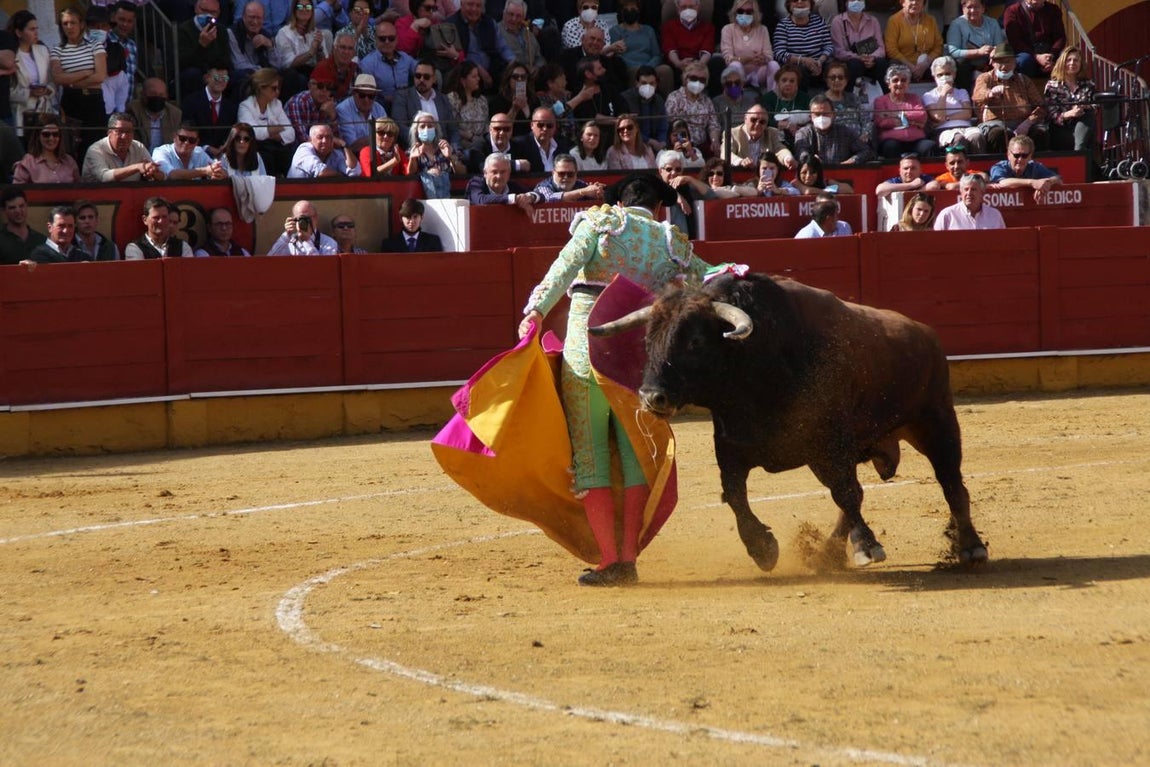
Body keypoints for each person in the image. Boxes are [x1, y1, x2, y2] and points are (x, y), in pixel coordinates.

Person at [518, 172, 710, 586]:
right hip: (634, 360)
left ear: (620, 202)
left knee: (591, 455)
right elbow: (709, 277)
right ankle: (627, 556)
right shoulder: (671, 242)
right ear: (659, 208)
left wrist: (535, 311)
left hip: (585, 350)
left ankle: (611, 561)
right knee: (633, 454)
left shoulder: (602, 223)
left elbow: (565, 267)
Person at [50, 7, 107, 161]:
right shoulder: (57, 50)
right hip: (71, 101)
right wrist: (86, 72)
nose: (69, 27)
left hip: (93, 101)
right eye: (65, 23)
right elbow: (58, 78)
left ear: (81, 24)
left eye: (73, 23)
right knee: (70, 144)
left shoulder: (95, 45)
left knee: (96, 143)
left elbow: (100, 76)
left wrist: (73, 82)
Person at [972, 43, 1047, 154]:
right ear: (993, 63)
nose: (1004, 66)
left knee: (1041, 132)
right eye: (1000, 62)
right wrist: (990, 93)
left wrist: (1027, 123)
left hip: (1023, 122)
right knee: (999, 134)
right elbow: (977, 96)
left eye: (1008, 61)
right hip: (995, 123)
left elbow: (1041, 106)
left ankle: (1037, 167)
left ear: (1015, 63)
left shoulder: (1024, 80)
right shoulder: (985, 78)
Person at [445, 0, 516, 90]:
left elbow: (503, 47)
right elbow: (456, 56)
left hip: (492, 70)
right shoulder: (450, 25)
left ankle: (522, 101)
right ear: (461, 4)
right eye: (470, 4)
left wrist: (513, 62)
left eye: (478, 6)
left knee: (519, 76)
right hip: (465, 73)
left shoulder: (490, 22)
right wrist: (478, 69)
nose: (474, 9)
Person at [238, 67, 296, 175]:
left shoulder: (277, 104)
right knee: (266, 157)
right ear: (261, 88)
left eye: (278, 88)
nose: (277, 92)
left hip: (275, 146)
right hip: (254, 148)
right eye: (274, 88)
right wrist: (276, 130)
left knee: (288, 155)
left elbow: (291, 133)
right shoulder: (246, 106)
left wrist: (269, 133)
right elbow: (253, 133)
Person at [391, 59, 460, 148]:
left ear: (434, 79)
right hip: (415, 149)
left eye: (426, 77)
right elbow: (400, 126)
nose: (421, 80)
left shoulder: (442, 98)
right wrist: (423, 144)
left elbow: (453, 129)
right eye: (418, 76)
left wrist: (455, 149)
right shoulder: (403, 97)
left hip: (442, 150)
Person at [923, 55, 985, 153]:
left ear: (954, 75)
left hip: (966, 127)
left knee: (977, 137)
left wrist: (947, 118)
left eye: (947, 73)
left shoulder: (962, 92)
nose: (944, 77)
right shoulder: (929, 95)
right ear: (934, 77)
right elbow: (938, 117)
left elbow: (967, 114)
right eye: (940, 75)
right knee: (958, 138)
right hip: (943, 130)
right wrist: (943, 94)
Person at [82, 112, 167, 182]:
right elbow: (105, 177)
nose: (124, 136)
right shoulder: (95, 150)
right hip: (99, 199)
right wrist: (137, 167)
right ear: (109, 133)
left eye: (129, 132)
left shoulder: (138, 147)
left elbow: (163, 177)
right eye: (120, 131)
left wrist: (152, 173)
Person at [609, 0, 670, 95]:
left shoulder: (648, 30)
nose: (629, 11)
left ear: (638, 11)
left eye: (633, 9)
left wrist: (648, 66)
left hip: (649, 65)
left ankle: (664, 104)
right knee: (636, 72)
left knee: (665, 70)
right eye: (626, 9)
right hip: (630, 67)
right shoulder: (615, 31)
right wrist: (639, 67)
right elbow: (617, 56)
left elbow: (657, 55)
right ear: (621, 12)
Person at [11, 11, 56, 138]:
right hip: (22, 114)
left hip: (43, 112)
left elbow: (52, 80)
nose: (36, 32)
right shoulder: (12, 55)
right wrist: (29, 93)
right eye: (31, 29)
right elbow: (7, 91)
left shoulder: (42, 50)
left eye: (37, 28)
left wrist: (47, 90)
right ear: (19, 33)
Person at [874, 64, 934, 159]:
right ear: (888, 84)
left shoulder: (914, 98)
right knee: (891, 146)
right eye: (895, 80)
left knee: (929, 146)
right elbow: (882, 123)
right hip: (892, 140)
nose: (899, 83)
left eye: (903, 80)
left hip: (916, 139)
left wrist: (896, 115)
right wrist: (912, 122)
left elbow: (922, 115)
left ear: (908, 83)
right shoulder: (880, 101)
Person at [793, 95, 872, 165]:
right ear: (810, 117)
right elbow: (801, 152)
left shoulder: (845, 132)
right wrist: (811, 160)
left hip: (841, 175)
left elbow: (865, 151)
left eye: (825, 113)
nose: (821, 117)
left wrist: (852, 161)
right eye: (817, 114)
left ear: (833, 114)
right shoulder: (803, 133)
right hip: (814, 177)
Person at [772, 0, 834, 89]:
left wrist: (820, 61)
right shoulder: (783, 25)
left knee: (834, 69)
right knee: (799, 71)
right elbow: (779, 53)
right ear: (789, 5)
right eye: (795, 0)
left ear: (810, 4)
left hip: (820, 64)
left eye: (804, 0)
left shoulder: (819, 21)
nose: (800, 2)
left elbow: (828, 45)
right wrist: (803, 60)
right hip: (797, 66)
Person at [1044, 46, 1095, 153]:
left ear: (1081, 64)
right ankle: (1079, 153)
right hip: (1061, 128)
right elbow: (1051, 114)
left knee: (1088, 114)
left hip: (1083, 125)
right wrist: (1070, 113)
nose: (1072, 63)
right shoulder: (1052, 86)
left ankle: (1079, 151)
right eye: (1068, 60)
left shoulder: (1088, 84)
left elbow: (1096, 105)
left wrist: (1085, 106)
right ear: (1062, 63)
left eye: (1076, 60)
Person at [945, 0, 1005, 91]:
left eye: (976, 7)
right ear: (963, 9)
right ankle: (966, 97)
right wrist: (978, 52)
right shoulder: (956, 24)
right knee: (961, 63)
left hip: (988, 61)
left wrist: (994, 51)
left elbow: (1000, 47)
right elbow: (953, 51)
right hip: (966, 64)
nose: (973, 10)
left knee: (1004, 60)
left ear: (983, 8)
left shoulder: (992, 23)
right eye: (969, 7)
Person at [177, 0, 233, 97]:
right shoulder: (183, 30)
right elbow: (182, 63)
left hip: (215, 71)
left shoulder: (221, 31)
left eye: (213, 12)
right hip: (193, 72)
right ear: (195, 9)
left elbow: (226, 60)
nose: (208, 15)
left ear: (218, 13)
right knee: (193, 74)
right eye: (204, 10)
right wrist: (202, 45)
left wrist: (214, 72)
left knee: (235, 76)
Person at [359, 19, 418, 110]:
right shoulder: (367, 63)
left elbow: (421, 70)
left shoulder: (405, 58)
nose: (387, 42)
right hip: (381, 107)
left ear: (396, 39)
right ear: (375, 39)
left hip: (407, 105)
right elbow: (366, 94)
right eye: (382, 39)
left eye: (391, 38)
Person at [720, 1, 778, 91]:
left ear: (754, 13)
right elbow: (728, 58)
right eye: (740, 11)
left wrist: (763, 59)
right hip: (737, 73)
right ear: (735, 12)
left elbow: (769, 55)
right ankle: (736, 95)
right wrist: (747, 59)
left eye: (749, 12)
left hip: (758, 73)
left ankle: (773, 97)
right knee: (735, 65)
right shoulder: (727, 29)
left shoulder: (762, 29)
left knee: (773, 64)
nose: (744, 14)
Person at [829, 0, 887, 90]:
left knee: (881, 63)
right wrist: (858, 57)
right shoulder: (838, 21)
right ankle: (849, 96)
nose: (856, 2)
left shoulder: (873, 21)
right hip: (850, 62)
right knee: (855, 64)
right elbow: (838, 51)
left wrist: (872, 58)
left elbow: (881, 48)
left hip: (871, 61)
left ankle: (884, 96)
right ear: (846, 2)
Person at [664, 60, 720, 153]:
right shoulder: (674, 98)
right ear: (686, 79)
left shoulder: (707, 101)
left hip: (702, 146)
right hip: (680, 146)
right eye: (694, 78)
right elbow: (669, 125)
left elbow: (713, 125)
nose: (698, 82)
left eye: (702, 80)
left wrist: (715, 141)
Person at [182, 67, 240, 156]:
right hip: (196, 153)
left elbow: (231, 131)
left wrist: (225, 146)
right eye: (217, 78)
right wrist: (206, 147)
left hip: (223, 155)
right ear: (206, 78)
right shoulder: (191, 101)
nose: (221, 81)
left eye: (225, 78)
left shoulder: (231, 106)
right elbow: (187, 130)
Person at [273, 0, 332, 87]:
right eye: (300, 7)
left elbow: (323, 64)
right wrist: (310, 53)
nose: (304, 10)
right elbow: (287, 64)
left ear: (312, 11)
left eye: (308, 7)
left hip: (313, 73)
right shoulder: (284, 33)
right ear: (294, 10)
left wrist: (319, 49)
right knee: (293, 75)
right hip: (293, 74)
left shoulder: (316, 32)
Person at [1002, 0, 1065, 79]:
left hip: (1049, 51)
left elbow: (1060, 37)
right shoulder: (1012, 11)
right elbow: (1015, 41)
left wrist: (1051, 56)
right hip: (1027, 52)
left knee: (1067, 59)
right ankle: (1026, 88)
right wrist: (1037, 57)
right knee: (1024, 61)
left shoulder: (1054, 10)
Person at [406, 110, 462, 197]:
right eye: (422, 126)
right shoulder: (412, 151)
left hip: (447, 196)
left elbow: (461, 173)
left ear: (435, 129)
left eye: (430, 126)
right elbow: (410, 175)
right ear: (416, 131)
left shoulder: (445, 147)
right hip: (423, 199)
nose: (426, 129)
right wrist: (413, 159)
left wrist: (451, 157)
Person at [989, 134, 1062, 200]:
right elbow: (1003, 182)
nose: (1020, 159)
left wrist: (1046, 183)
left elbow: (1058, 179)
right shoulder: (999, 167)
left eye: (1024, 156)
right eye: (1016, 155)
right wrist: (1033, 183)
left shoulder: (1035, 166)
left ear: (1030, 156)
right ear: (1008, 155)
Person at [884, 0, 942, 83]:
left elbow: (938, 46)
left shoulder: (931, 20)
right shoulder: (894, 21)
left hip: (926, 64)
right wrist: (911, 67)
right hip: (903, 64)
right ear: (903, 2)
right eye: (911, 0)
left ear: (923, 3)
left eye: (918, 0)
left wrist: (925, 64)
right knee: (895, 67)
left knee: (943, 66)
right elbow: (891, 49)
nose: (915, 3)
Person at [725, 103, 796, 170]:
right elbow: (726, 154)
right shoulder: (732, 133)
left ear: (766, 124)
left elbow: (780, 149)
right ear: (745, 119)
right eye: (753, 120)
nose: (757, 124)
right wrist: (740, 161)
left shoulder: (772, 133)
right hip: (741, 178)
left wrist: (787, 158)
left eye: (762, 122)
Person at [13, 118, 82, 184]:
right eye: (46, 134)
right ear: (38, 136)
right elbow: (17, 192)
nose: (51, 138)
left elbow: (79, 189)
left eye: (55, 134)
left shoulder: (69, 161)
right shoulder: (28, 162)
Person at [228, 2, 276, 97]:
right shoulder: (232, 33)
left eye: (258, 18)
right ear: (243, 17)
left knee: (288, 75)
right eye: (251, 17)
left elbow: (278, 65)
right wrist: (263, 72)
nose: (255, 22)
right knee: (244, 76)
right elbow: (239, 64)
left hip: (263, 75)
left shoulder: (266, 35)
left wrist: (269, 46)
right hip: (243, 76)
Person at [153, 122, 228, 180]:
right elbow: (171, 174)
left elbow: (219, 170)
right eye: (182, 138)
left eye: (192, 140)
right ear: (174, 137)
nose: (186, 143)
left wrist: (219, 173)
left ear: (197, 142)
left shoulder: (199, 152)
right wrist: (204, 171)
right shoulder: (161, 152)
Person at [124, 197, 195, 259]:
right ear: (145, 220)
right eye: (156, 218)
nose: (161, 221)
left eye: (164, 217)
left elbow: (189, 272)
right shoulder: (135, 248)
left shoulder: (183, 247)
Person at [821, 60, 871, 145]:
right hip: (834, 144)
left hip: (858, 142)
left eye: (840, 77)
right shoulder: (821, 101)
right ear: (827, 81)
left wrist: (865, 134)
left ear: (846, 80)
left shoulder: (854, 98)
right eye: (832, 78)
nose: (837, 81)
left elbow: (866, 120)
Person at [934, 171, 1005, 229]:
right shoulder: (947, 215)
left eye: (973, 189)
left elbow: (1002, 241)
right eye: (966, 189)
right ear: (961, 192)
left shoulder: (994, 215)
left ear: (982, 193)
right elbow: (936, 242)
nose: (969, 193)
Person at [620, 66, 668, 152]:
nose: (648, 86)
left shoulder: (659, 100)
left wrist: (662, 142)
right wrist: (650, 141)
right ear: (637, 83)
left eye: (651, 83)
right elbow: (625, 127)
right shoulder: (625, 99)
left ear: (656, 84)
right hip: (631, 144)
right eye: (644, 83)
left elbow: (663, 125)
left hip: (657, 146)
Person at [288, 121, 362, 177]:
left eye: (328, 137)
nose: (325, 141)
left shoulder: (335, 153)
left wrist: (344, 146)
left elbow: (355, 172)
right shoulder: (304, 149)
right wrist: (343, 176)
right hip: (296, 194)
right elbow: (321, 172)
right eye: (320, 137)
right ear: (310, 140)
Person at [487, 60, 539, 139]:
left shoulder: (534, 99)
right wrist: (514, 109)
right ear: (508, 80)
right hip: (511, 141)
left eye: (523, 77)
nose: (519, 80)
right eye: (515, 77)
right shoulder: (497, 102)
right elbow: (501, 129)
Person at [128, 78, 183, 152]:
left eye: (161, 94)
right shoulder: (133, 110)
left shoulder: (174, 114)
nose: (157, 97)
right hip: (139, 156)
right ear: (143, 94)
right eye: (153, 94)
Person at [466, 152, 540, 206]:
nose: (499, 176)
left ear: (509, 173)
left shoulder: (513, 186)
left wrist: (531, 197)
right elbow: (481, 200)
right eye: (494, 172)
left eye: (503, 172)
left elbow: (540, 194)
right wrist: (513, 198)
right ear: (485, 173)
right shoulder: (475, 183)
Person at [446, 60, 489, 153]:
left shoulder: (482, 100)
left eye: (478, 76)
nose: (478, 79)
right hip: (462, 144)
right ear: (463, 80)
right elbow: (451, 126)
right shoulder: (452, 98)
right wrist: (470, 136)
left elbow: (486, 125)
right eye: (474, 76)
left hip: (482, 142)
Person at [268, 199, 340, 255]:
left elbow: (322, 267)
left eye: (307, 218)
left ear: (316, 218)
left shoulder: (328, 242)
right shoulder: (290, 241)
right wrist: (286, 235)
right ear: (293, 219)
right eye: (300, 219)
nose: (303, 222)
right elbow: (270, 261)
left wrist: (307, 241)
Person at [285, 71, 340, 143]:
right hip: (299, 148)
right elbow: (302, 139)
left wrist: (332, 116)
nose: (324, 91)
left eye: (329, 87)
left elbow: (339, 138)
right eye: (320, 86)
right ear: (310, 86)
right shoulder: (297, 103)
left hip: (322, 146)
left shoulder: (330, 104)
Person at [511, 106, 571, 172]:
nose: (545, 129)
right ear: (532, 125)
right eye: (540, 125)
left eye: (549, 125)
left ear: (555, 127)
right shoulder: (519, 145)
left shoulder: (562, 145)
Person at [336, 73, 386, 151]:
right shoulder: (343, 110)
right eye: (362, 95)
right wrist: (377, 138)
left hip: (377, 153)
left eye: (371, 96)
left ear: (375, 96)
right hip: (352, 156)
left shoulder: (379, 109)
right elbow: (352, 145)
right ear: (354, 94)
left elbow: (387, 137)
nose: (366, 100)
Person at [760, 64, 810, 139]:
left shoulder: (805, 98)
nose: (788, 84)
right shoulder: (768, 98)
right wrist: (785, 124)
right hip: (773, 137)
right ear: (777, 83)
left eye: (792, 81)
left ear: (797, 84)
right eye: (784, 80)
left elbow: (811, 118)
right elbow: (764, 120)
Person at [0, 188, 48, 265]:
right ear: (4, 210)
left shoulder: (41, 240)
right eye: (12, 208)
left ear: (26, 206)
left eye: (21, 206)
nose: (18, 211)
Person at [533, 153, 606, 202]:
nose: (566, 177)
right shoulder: (543, 187)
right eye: (561, 173)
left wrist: (597, 194)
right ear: (553, 173)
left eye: (570, 174)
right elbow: (551, 198)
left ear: (576, 173)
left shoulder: (581, 185)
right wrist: (582, 192)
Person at [379, 198, 444, 252]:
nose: (411, 221)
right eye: (408, 217)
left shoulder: (433, 242)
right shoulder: (389, 244)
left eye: (415, 217)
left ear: (421, 218)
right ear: (401, 218)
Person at [311, 30, 360, 101]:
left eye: (350, 48)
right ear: (334, 49)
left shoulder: (356, 69)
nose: (346, 52)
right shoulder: (322, 68)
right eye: (342, 47)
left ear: (354, 53)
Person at [497, 0, 543, 72]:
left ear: (523, 18)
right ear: (504, 14)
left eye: (518, 16)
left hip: (533, 77)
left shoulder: (528, 32)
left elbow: (539, 57)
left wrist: (537, 68)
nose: (514, 19)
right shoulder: (497, 32)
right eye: (511, 14)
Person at [711, 62, 757, 126]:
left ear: (742, 84)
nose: (733, 86)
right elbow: (716, 127)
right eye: (729, 84)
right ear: (723, 86)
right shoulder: (716, 102)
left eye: (737, 83)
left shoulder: (750, 102)